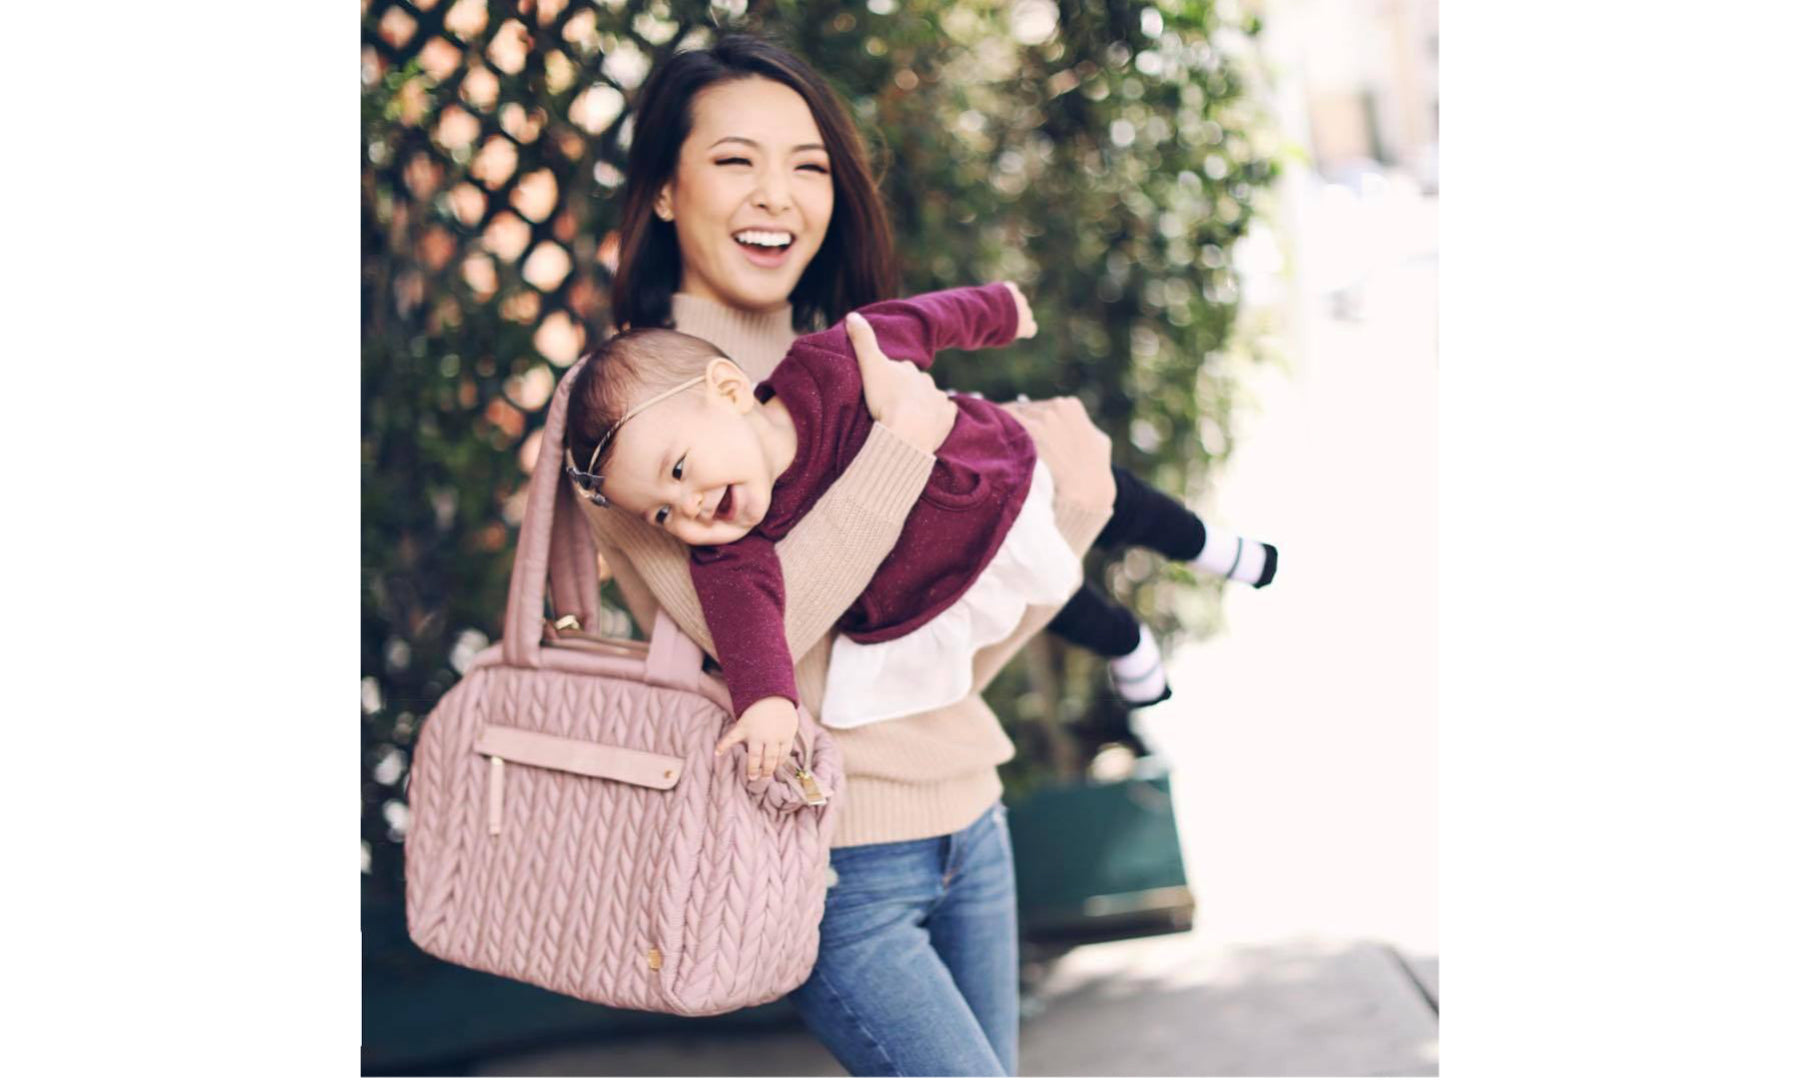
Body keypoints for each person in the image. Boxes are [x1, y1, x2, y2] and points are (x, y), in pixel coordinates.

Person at [581, 33, 1244, 1075]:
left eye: (808, 166)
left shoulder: (846, 358)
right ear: (664, 189)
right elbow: (766, 633)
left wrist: (1068, 516)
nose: (779, 196)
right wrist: (903, 447)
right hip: (836, 869)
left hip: (973, 816)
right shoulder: (627, 433)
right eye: (734, 160)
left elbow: (948, 658)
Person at [563, 282, 1275, 780]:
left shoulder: (830, 365)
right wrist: (768, 702)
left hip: (988, 482)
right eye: (660, 512)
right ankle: (1130, 645)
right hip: (937, 586)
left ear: (727, 391)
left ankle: (1205, 545)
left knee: (1115, 497)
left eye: (680, 470)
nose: (686, 510)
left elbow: (916, 322)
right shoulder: (733, 547)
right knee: (1057, 600)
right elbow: (747, 630)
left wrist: (993, 311)